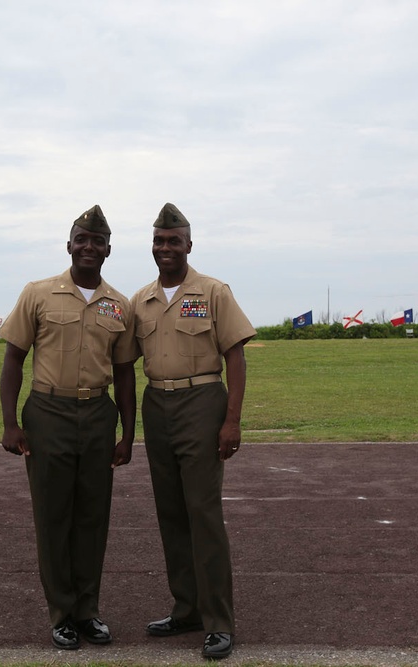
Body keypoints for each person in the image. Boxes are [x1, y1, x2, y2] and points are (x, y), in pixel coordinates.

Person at [0, 205, 137, 651]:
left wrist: (129, 433)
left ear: (108, 250)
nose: (89, 247)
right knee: (53, 517)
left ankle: (88, 611)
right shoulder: (38, 294)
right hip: (48, 414)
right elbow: (13, 360)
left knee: (93, 519)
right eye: (82, 239)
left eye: (98, 241)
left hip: (98, 415)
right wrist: (10, 423)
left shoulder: (119, 304)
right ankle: (61, 614)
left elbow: (127, 373)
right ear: (70, 244)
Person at [131, 202, 256, 660]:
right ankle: (186, 608)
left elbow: (236, 357)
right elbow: (126, 361)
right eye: (159, 241)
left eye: (174, 241)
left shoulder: (212, 291)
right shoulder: (141, 300)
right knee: (171, 512)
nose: (166, 248)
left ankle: (218, 621)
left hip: (202, 401)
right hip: (156, 403)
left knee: (203, 512)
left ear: (188, 244)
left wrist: (233, 419)